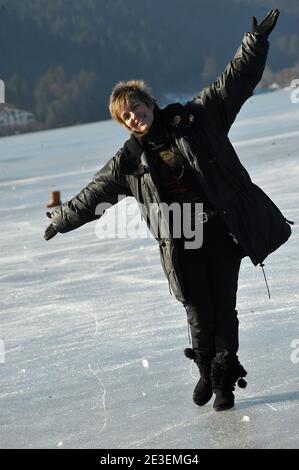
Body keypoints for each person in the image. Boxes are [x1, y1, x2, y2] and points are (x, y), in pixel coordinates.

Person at [44, 9, 292, 411]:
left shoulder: (195, 119)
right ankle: (205, 372)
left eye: (136, 107)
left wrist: (255, 42)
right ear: (124, 124)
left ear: (149, 102)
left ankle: (224, 383)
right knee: (199, 313)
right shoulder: (129, 161)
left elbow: (235, 81)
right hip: (181, 241)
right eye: (126, 116)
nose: (134, 116)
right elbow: (93, 195)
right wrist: (62, 218)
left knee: (224, 310)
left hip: (221, 232)